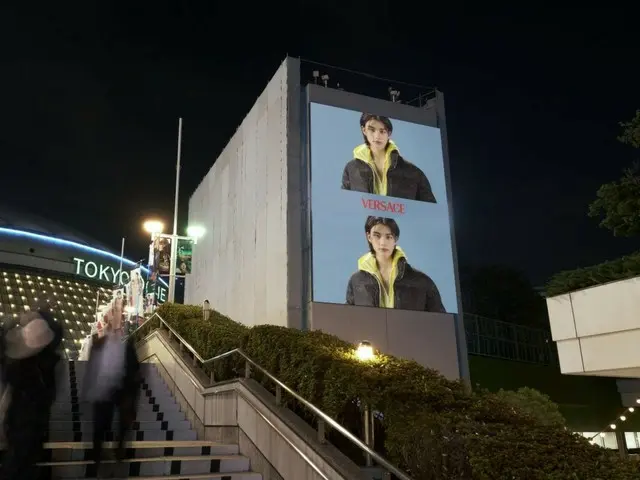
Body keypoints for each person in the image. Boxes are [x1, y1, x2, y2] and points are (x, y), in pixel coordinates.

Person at [0, 306, 63, 480]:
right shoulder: (45, 368)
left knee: (16, 467)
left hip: (22, 427)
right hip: (30, 429)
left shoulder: (22, 368)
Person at [346, 216, 445, 312]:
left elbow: (441, 323)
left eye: (389, 237)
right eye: (377, 235)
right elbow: (348, 320)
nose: (383, 243)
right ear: (369, 237)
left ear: (395, 239)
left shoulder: (422, 281)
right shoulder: (356, 281)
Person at [341, 113, 437, 203]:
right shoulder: (351, 168)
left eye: (382, 131)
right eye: (372, 130)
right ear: (364, 130)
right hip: (363, 221)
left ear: (389, 133)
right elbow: (345, 206)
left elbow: (431, 212)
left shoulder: (413, 172)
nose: (377, 136)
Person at [82, 327, 141, 472]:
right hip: (104, 392)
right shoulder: (100, 347)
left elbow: (135, 371)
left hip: (121, 391)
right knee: (101, 423)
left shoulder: (125, 349)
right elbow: (93, 370)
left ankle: (115, 449)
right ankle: (99, 454)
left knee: (115, 423)